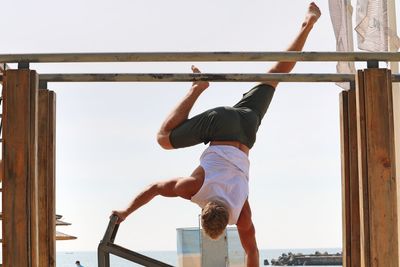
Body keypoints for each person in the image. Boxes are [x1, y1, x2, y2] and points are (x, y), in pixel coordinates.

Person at [112, 3, 321, 267]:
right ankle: (198, 88)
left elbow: (253, 253)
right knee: (164, 139)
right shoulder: (193, 190)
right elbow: (154, 187)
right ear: (204, 213)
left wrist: (125, 213)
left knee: (273, 76)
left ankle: (308, 24)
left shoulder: (241, 212)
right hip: (220, 126)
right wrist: (125, 212)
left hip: (246, 130)